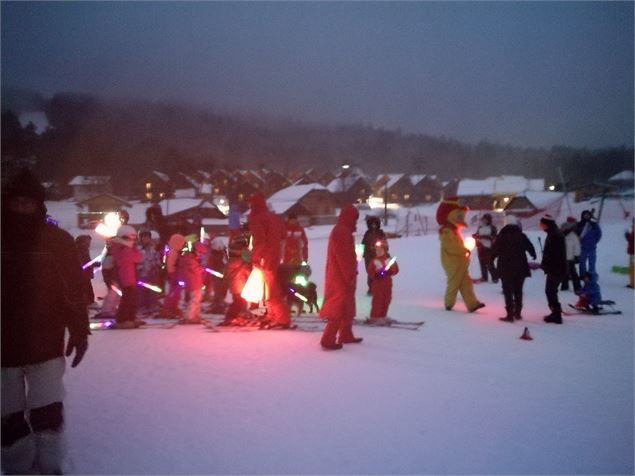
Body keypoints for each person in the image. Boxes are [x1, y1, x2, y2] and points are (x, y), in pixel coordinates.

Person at [1, 168, 90, 474]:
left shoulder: (57, 241)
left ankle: (50, 463)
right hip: (2, 347)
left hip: (46, 341)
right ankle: (17, 466)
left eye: (29, 203)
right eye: (17, 202)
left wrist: (80, 331)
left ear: (38, 205)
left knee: (47, 408)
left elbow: (74, 291)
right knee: (7, 414)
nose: (22, 208)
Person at [320, 203, 363, 350]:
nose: (356, 222)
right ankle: (328, 338)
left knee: (346, 306)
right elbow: (344, 258)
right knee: (338, 306)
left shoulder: (343, 231)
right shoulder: (342, 232)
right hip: (341, 276)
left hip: (343, 274)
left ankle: (346, 334)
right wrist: (350, 276)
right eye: (355, 218)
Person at [248, 192, 291, 329]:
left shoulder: (256, 218)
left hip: (265, 258)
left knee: (271, 290)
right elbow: (284, 235)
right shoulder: (274, 217)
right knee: (269, 288)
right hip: (276, 256)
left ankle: (281, 319)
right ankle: (272, 316)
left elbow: (259, 240)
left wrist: (255, 257)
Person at [436, 198, 485, 313]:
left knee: (466, 283)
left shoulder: (454, 231)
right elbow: (451, 247)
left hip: (460, 262)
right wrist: (464, 250)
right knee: (454, 283)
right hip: (452, 263)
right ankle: (448, 303)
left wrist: (464, 251)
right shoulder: (446, 232)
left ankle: (472, 304)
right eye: (459, 216)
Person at [490, 214, 536, 322]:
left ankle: (509, 315)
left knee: (507, 291)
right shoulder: (521, 235)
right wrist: (533, 254)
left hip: (505, 268)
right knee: (518, 291)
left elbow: (495, 251)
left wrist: (491, 260)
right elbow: (530, 247)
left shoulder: (501, 236)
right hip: (520, 268)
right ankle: (518, 313)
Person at [111, 224, 143, 328]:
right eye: (131, 238)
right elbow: (138, 257)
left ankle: (130, 318)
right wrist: (135, 248)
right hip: (127, 278)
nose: (133, 241)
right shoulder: (124, 249)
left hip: (128, 277)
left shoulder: (120, 248)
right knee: (128, 299)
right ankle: (123, 319)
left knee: (131, 299)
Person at [540, 214, 568, 324]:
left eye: (541, 224)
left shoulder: (554, 235)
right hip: (557, 268)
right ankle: (555, 312)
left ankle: (556, 315)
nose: (540, 226)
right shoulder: (554, 233)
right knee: (551, 291)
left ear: (546, 224)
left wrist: (546, 264)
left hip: (556, 268)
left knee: (550, 291)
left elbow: (554, 254)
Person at [221, 232, 253, 326]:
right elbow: (247, 268)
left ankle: (237, 316)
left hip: (235, 284)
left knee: (239, 301)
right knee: (239, 301)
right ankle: (230, 317)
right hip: (238, 284)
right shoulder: (241, 262)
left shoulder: (231, 261)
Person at [367, 240, 399, 321]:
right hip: (378, 284)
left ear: (384, 250)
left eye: (380, 250)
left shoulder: (388, 260)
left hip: (387, 284)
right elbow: (370, 271)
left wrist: (390, 271)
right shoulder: (374, 261)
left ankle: (383, 316)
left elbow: (395, 269)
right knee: (378, 300)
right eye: (377, 250)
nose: (378, 251)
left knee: (386, 300)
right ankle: (375, 317)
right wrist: (376, 275)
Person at [178, 241, 207, 324]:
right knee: (194, 300)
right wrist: (201, 268)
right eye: (200, 253)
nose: (201, 255)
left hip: (196, 282)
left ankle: (195, 315)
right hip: (193, 283)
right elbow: (195, 270)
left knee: (197, 299)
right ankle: (189, 316)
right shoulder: (190, 259)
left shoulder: (193, 259)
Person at [159, 233, 186, 319]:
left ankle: (174, 307)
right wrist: (173, 275)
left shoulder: (176, 252)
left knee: (177, 293)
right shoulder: (173, 252)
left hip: (177, 275)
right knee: (173, 293)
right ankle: (167, 308)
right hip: (174, 275)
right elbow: (170, 265)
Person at [137, 230, 162, 317]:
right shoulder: (139, 249)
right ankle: (142, 306)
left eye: (147, 238)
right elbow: (137, 261)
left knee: (152, 290)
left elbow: (156, 259)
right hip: (142, 274)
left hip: (152, 273)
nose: (146, 240)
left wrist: (157, 265)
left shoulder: (152, 249)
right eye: (144, 238)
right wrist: (139, 268)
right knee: (142, 291)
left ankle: (152, 305)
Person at [361, 215, 387, 295]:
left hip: (379, 256)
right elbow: (363, 244)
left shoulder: (381, 233)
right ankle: (371, 288)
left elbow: (385, 243)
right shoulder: (367, 234)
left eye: (375, 224)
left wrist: (383, 249)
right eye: (372, 224)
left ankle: (380, 287)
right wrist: (364, 251)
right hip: (369, 256)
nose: (373, 226)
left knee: (380, 272)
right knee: (371, 272)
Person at [575, 210, 602, 277]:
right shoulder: (579, 225)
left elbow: (599, 234)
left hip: (592, 247)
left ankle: (591, 275)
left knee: (592, 262)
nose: (586, 216)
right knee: (582, 262)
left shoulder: (594, 224)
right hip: (582, 247)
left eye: (588, 215)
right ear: (582, 215)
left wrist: (594, 241)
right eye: (585, 214)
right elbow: (575, 235)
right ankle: (582, 275)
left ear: (590, 216)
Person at [473, 213, 498, 283]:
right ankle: (484, 277)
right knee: (482, 263)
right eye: (483, 219)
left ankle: (495, 277)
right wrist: (475, 236)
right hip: (480, 247)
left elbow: (493, 237)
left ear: (489, 220)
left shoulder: (492, 228)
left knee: (489, 263)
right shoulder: (480, 227)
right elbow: (477, 234)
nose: (484, 221)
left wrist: (482, 237)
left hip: (489, 248)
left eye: (485, 220)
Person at [560, 217, 581, 293]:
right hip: (562, 257)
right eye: (562, 228)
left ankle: (577, 287)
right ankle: (564, 286)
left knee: (573, 272)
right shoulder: (560, 235)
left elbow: (577, 246)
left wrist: (576, 255)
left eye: (564, 228)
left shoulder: (572, 236)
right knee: (564, 272)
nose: (563, 229)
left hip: (570, 257)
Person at [75, 234, 96, 307]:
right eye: (88, 242)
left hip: (85, 273)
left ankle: (89, 302)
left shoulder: (83, 249)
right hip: (83, 273)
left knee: (87, 287)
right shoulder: (81, 250)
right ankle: (88, 302)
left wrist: (93, 264)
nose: (89, 244)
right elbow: (83, 262)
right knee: (86, 288)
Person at [626, 222, 634, 289]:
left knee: (632, 268)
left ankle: (633, 284)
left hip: (633, 253)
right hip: (632, 252)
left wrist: (627, 235)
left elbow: (631, 241)